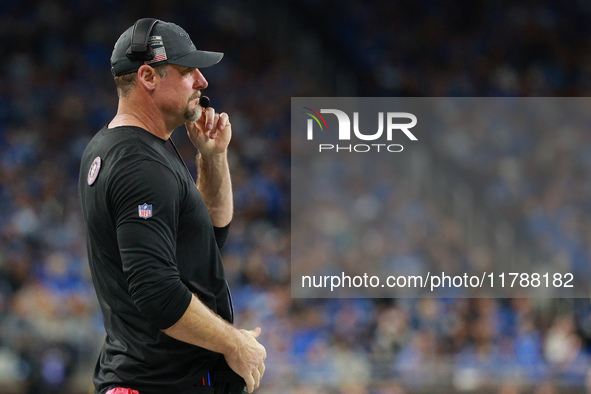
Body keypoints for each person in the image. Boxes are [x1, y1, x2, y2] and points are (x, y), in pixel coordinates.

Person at [78, 18, 266, 394]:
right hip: (158, 384)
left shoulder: (124, 147)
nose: (202, 81)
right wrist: (234, 344)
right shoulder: (139, 164)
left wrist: (212, 158)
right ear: (148, 76)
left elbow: (206, 241)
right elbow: (157, 292)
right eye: (187, 71)